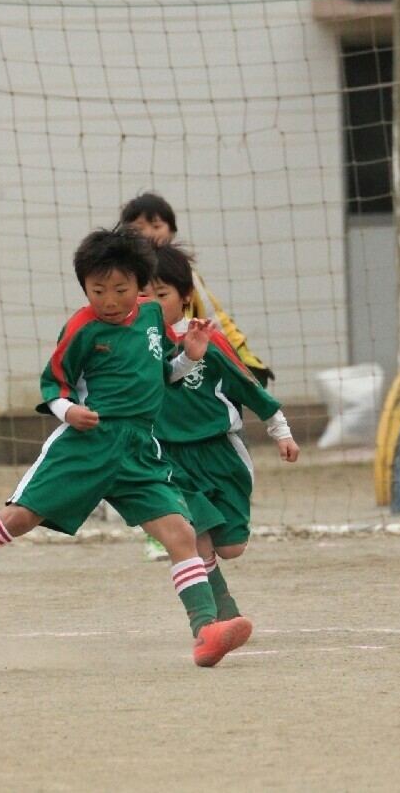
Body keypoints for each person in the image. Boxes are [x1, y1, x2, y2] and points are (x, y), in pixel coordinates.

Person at [0, 227, 254, 667]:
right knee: (20, 517)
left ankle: (206, 632)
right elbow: (53, 387)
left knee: (181, 531)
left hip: (139, 448)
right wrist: (69, 412)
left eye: (119, 289)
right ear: (84, 286)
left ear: (139, 286)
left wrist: (189, 357)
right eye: (97, 289)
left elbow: (160, 375)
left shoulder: (150, 319)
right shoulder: (81, 328)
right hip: (87, 443)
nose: (108, 299)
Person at [120, 192, 274, 562]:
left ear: (171, 231)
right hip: (154, 384)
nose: (147, 233)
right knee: (157, 453)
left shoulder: (184, 280)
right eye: (137, 226)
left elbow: (217, 323)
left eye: (155, 225)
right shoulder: (122, 282)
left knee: (219, 436)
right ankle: (164, 529)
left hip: (200, 372)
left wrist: (244, 359)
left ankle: (223, 503)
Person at [148, 244, 299, 619]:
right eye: (143, 295)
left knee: (232, 548)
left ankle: (215, 580)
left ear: (185, 295)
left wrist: (280, 431)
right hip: (168, 456)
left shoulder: (208, 338)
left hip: (220, 451)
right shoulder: (139, 348)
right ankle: (222, 612)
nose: (151, 302)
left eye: (161, 294)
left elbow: (249, 388)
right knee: (190, 533)